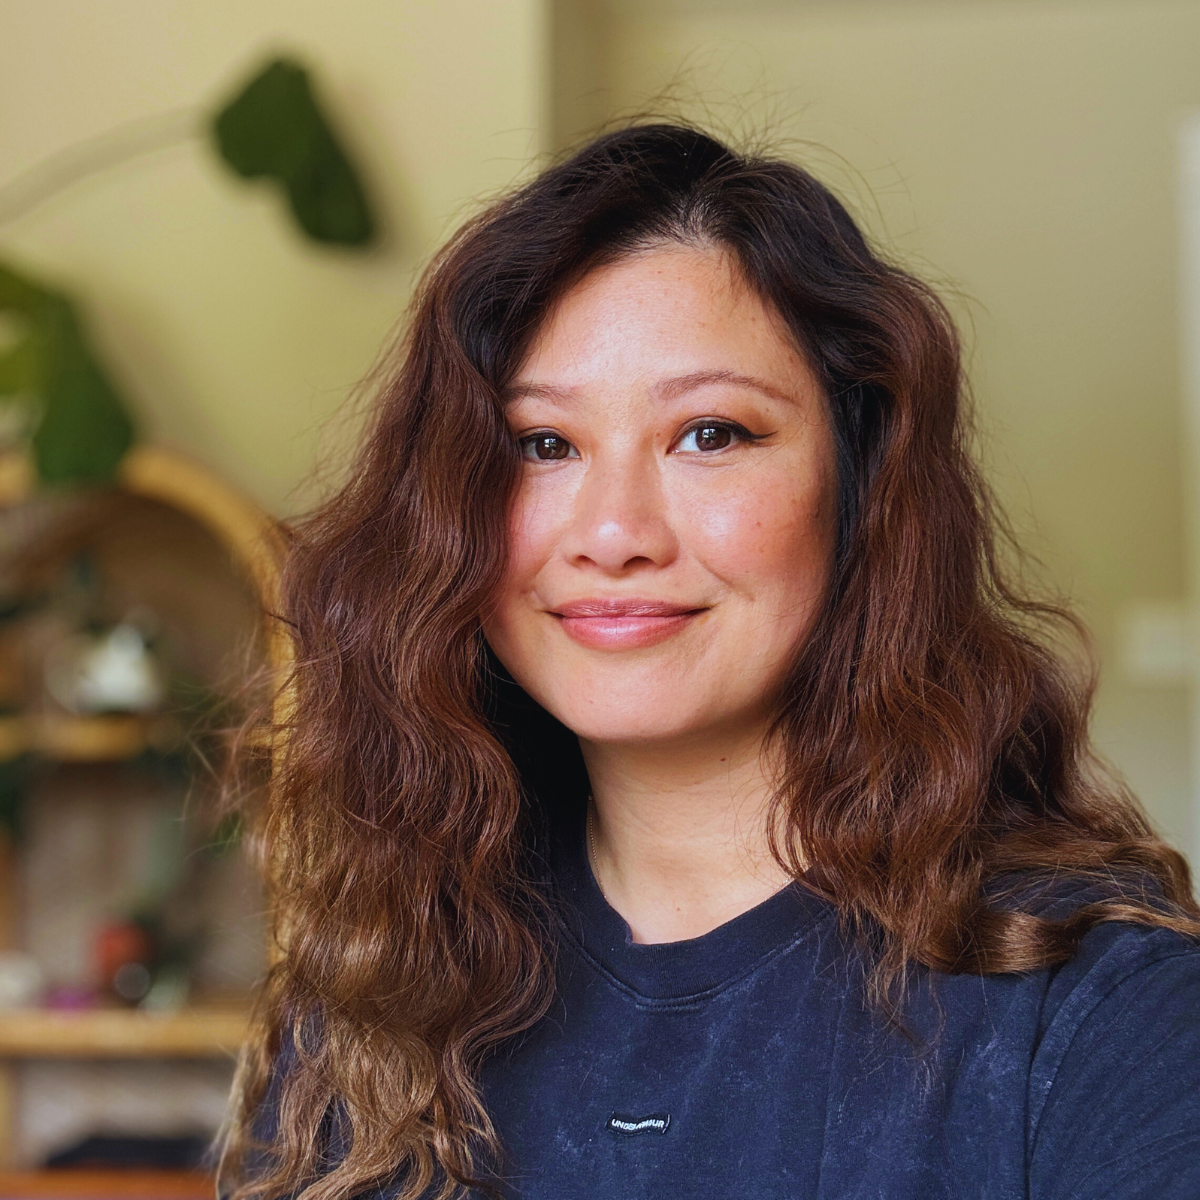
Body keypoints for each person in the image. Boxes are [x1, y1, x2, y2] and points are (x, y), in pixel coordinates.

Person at [219, 124, 1200, 1200]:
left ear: (861, 478)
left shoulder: (1109, 1008)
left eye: (712, 434)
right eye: (542, 444)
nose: (612, 532)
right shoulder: (378, 988)